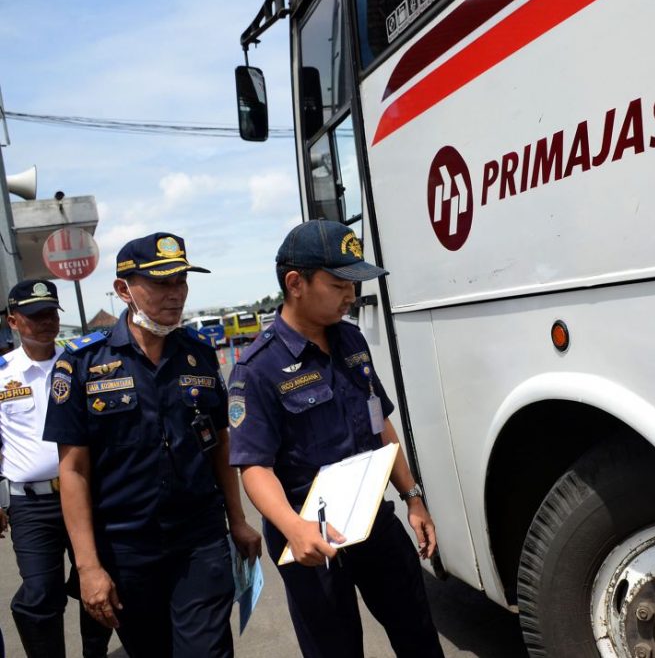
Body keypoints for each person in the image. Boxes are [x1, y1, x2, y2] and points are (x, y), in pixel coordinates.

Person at [228, 220, 443, 658]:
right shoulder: (256, 369)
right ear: (295, 283)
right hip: (309, 534)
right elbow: (254, 467)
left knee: (417, 632)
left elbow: (379, 421)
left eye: (355, 283)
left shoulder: (350, 339)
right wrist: (294, 529)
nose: (351, 294)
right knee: (334, 648)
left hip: (372, 520)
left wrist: (413, 496)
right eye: (339, 283)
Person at [43, 233, 262, 658]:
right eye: (161, 283)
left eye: (181, 282)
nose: (175, 294)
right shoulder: (81, 364)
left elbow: (219, 443)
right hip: (125, 549)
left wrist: (237, 519)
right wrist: (88, 567)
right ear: (123, 289)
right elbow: (72, 471)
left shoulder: (198, 354)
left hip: (199, 539)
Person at [0, 280, 113, 657]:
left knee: (96, 579)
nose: (46, 322)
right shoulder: (2, 375)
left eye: (51, 313)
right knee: (39, 594)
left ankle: (94, 652)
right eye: (35, 316)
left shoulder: (82, 363)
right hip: (32, 504)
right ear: (13, 321)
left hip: (86, 493)